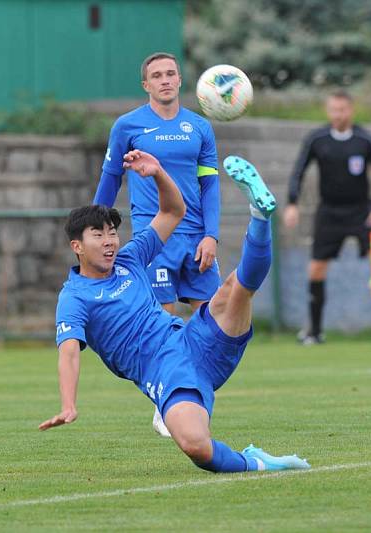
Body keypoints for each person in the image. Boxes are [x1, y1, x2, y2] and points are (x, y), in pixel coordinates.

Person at [40, 150, 309, 474]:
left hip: (193, 341)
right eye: (98, 235)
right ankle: (259, 462)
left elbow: (173, 210)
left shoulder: (130, 259)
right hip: (165, 373)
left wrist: (158, 173)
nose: (110, 240)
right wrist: (68, 404)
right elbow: (69, 352)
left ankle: (260, 215)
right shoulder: (74, 297)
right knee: (196, 445)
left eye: (112, 232)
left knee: (233, 290)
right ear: (77, 246)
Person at [93, 52, 221, 436]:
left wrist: (211, 234)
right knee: (164, 324)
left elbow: (210, 185)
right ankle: (166, 403)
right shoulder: (128, 125)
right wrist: (95, 228)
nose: (165, 80)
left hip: (196, 238)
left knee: (213, 325)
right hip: (156, 239)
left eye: (170, 74)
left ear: (180, 80)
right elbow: (110, 180)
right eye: (156, 76)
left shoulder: (199, 128)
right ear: (145, 85)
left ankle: (189, 398)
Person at [283, 89, 371, 345]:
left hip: (363, 211)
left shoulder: (365, 139)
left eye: (343, 110)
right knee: (316, 268)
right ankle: (314, 331)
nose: (338, 115)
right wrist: (292, 203)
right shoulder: (317, 139)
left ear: (351, 110)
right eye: (334, 110)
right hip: (329, 212)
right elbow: (298, 171)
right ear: (328, 111)